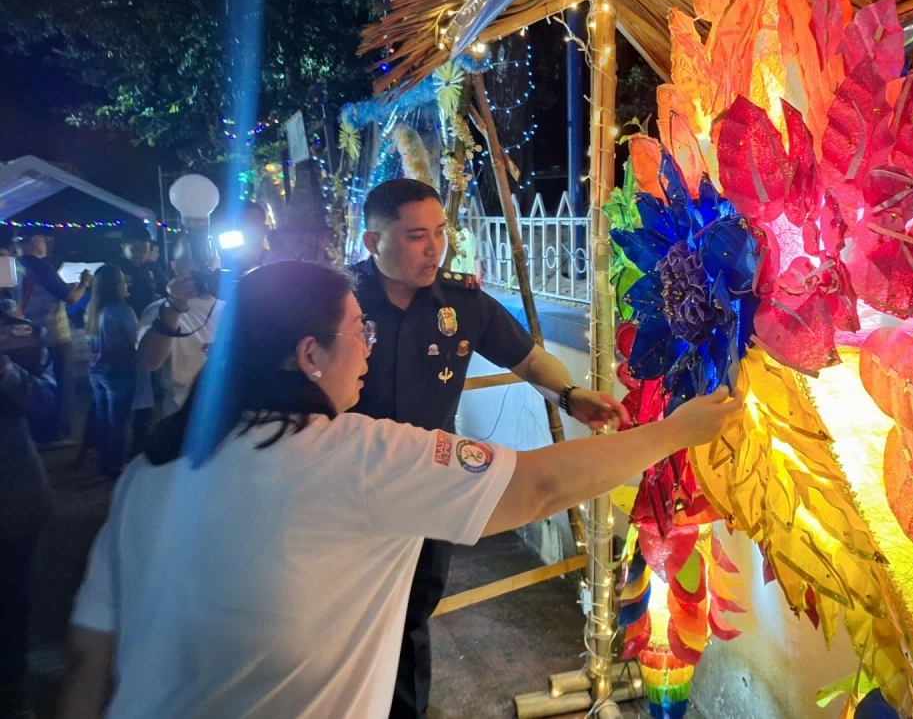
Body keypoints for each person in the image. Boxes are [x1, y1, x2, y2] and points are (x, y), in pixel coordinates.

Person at [59, 261, 740, 718]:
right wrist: (675, 432)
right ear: (309, 355)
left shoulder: (150, 471)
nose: (369, 346)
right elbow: (539, 486)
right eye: (359, 333)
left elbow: (90, 658)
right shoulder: (357, 456)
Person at [349, 178, 625, 719]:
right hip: (349, 484)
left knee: (412, 616)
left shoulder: (462, 301)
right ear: (372, 242)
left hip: (428, 484)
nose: (434, 248)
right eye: (416, 236)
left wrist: (571, 395)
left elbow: (528, 358)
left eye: (440, 233)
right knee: (349, 613)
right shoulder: (340, 302)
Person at [0, 314, 56, 719]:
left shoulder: (20, 333)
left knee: (12, 605)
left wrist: (5, 372)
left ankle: (11, 689)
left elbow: (47, 403)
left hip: (12, 504)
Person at [135, 238, 223, 426]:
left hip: (230, 421)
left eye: (209, 256)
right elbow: (148, 362)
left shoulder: (236, 305)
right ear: (175, 266)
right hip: (182, 421)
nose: (205, 265)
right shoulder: (159, 310)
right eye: (194, 257)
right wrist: (175, 306)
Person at [14, 234, 91, 442]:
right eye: (43, 240)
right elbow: (72, 298)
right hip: (54, 336)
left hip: (27, 336)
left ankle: (37, 430)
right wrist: (84, 283)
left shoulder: (15, 266)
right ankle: (58, 432)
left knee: (34, 384)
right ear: (33, 242)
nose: (47, 244)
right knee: (64, 384)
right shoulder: (41, 267)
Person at [86, 265, 139, 478]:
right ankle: (116, 465)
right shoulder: (122, 310)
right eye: (123, 280)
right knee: (118, 421)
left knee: (103, 419)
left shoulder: (93, 310)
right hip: (120, 370)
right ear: (117, 285)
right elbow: (135, 340)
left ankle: (104, 463)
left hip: (96, 371)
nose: (127, 284)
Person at [116, 234, 161, 317]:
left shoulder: (152, 267)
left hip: (152, 317)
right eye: (135, 250)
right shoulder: (114, 270)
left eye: (144, 250)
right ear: (123, 247)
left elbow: (165, 289)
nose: (140, 254)